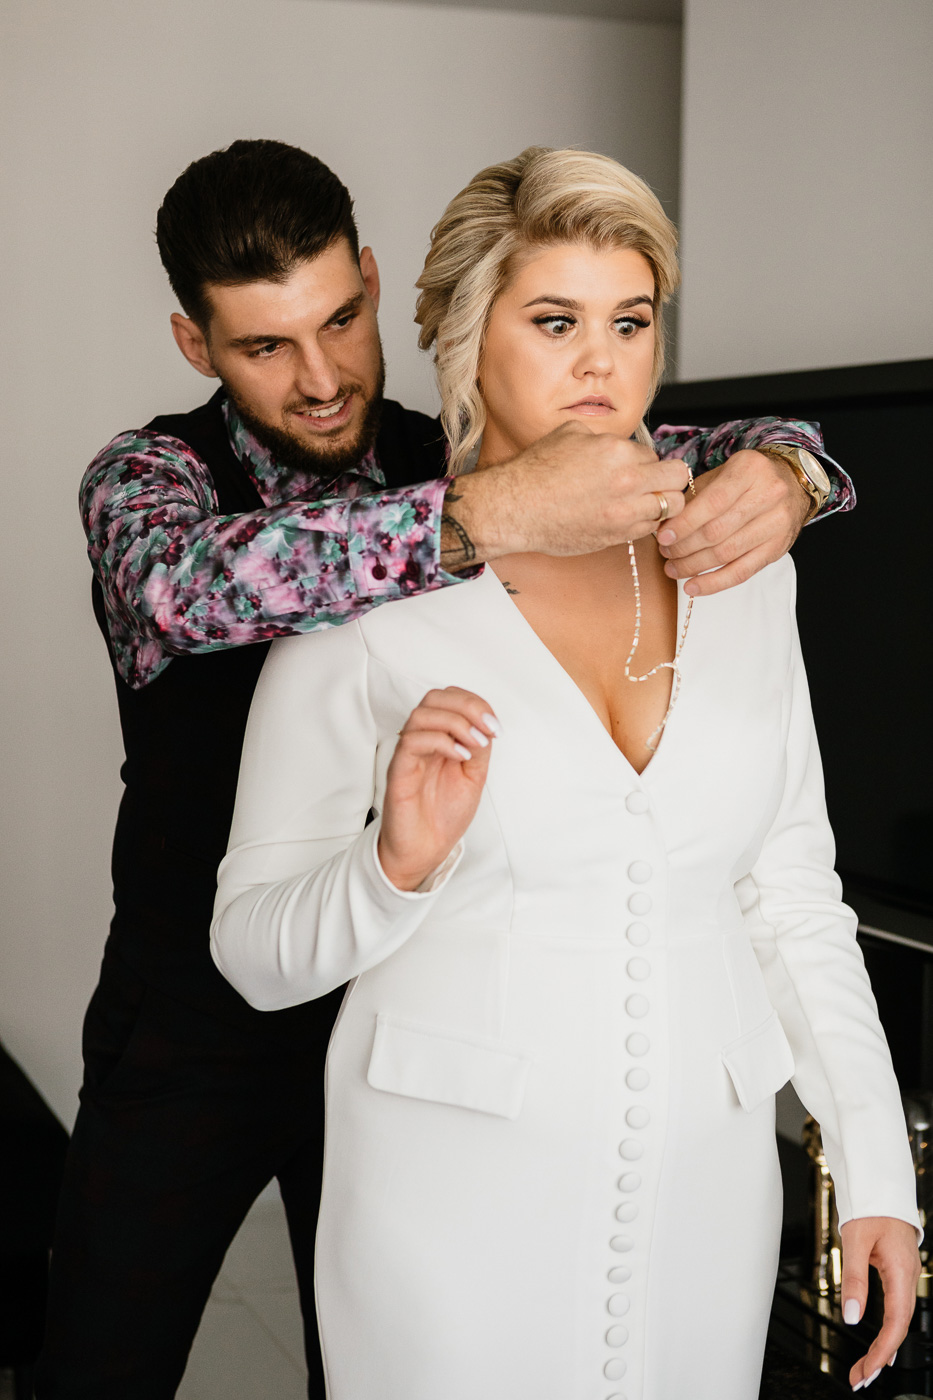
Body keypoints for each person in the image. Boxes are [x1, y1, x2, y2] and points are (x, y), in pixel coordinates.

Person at [41, 137, 854, 1400]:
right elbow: (185, 589)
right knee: (100, 1360)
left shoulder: (466, 445)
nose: (322, 378)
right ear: (196, 343)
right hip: (194, 1015)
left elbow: (701, 436)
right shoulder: (150, 479)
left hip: (404, 1013)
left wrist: (792, 472)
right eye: (265, 346)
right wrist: (489, 516)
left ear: (374, 281)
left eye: (342, 320)